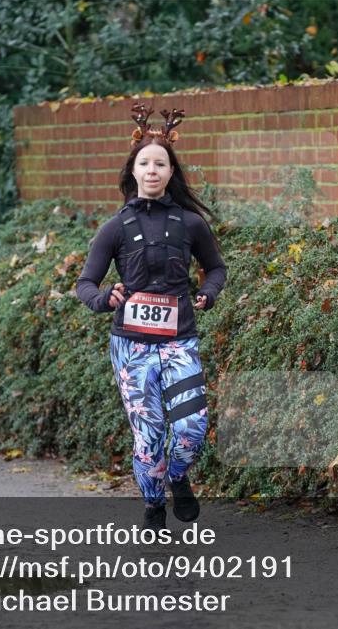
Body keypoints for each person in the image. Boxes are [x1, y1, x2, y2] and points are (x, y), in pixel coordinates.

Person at [74, 104, 227, 531]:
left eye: (160, 163)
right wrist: (103, 298)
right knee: (150, 434)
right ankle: (153, 502)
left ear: (171, 172)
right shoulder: (115, 227)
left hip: (180, 341)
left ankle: (178, 476)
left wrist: (208, 293)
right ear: (134, 171)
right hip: (132, 346)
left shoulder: (191, 224)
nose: (152, 170)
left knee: (192, 427)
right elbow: (85, 283)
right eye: (145, 163)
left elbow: (216, 268)